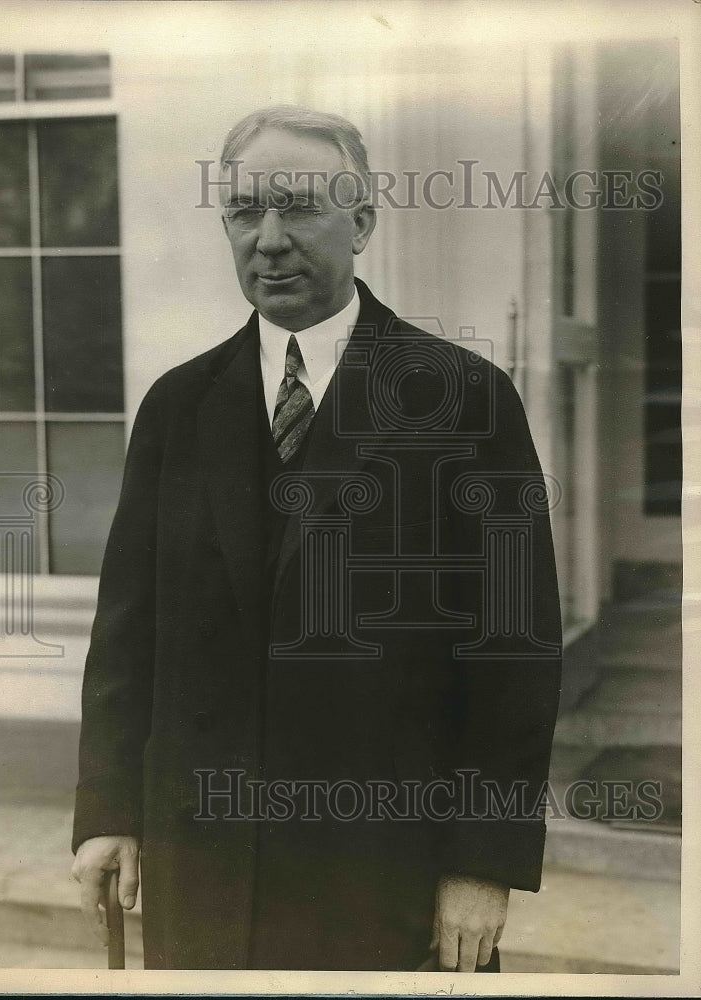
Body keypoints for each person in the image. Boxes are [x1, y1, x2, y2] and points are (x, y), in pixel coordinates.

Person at [71, 106, 562, 972]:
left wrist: (480, 867)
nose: (267, 239)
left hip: (384, 878)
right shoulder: (178, 408)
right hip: (204, 876)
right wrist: (110, 812)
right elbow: (125, 637)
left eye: (296, 207)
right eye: (243, 211)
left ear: (362, 223)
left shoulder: (467, 401)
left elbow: (513, 660)